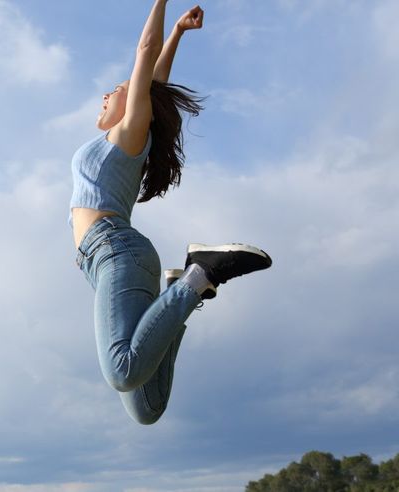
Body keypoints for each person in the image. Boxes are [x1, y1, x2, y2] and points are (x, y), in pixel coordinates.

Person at [70, 0, 272, 425]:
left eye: (118, 87)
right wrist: (178, 32)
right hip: (109, 262)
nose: (107, 92)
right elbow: (155, 76)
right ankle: (180, 287)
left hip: (115, 251)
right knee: (147, 408)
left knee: (123, 373)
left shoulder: (127, 135)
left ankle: (200, 276)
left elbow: (146, 53)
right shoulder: (124, 137)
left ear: (136, 102)